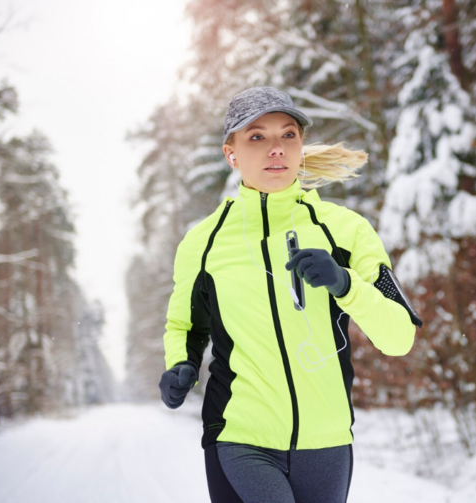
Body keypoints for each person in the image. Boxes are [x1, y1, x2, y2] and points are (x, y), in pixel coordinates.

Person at [158, 86, 422, 503]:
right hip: (239, 435)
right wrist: (180, 365)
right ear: (231, 154)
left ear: (300, 147)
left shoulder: (346, 230)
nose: (276, 148)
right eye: (257, 136)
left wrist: (345, 284)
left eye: (288, 135)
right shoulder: (203, 243)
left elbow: (399, 337)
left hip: (327, 443)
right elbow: (186, 326)